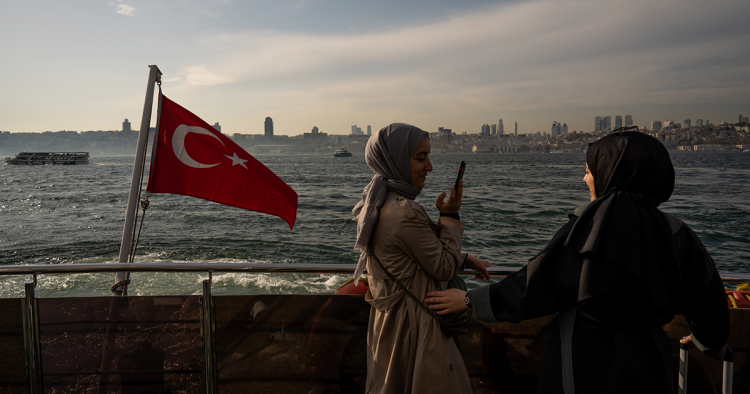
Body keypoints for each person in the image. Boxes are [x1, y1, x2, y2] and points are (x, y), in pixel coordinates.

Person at [424, 131, 730, 394]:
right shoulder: (676, 231)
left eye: (588, 170)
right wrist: (708, 341)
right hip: (652, 362)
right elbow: (708, 297)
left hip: (583, 363)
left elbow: (536, 284)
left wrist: (468, 298)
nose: (584, 178)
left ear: (610, 173)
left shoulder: (591, 227)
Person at [352, 123, 490, 394]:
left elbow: (410, 257)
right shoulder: (406, 212)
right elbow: (442, 266)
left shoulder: (378, 204)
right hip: (416, 330)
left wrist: (463, 257)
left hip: (390, 327)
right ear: (395, 159)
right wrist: (450, 217)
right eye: (420, 158)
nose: (429, 167)